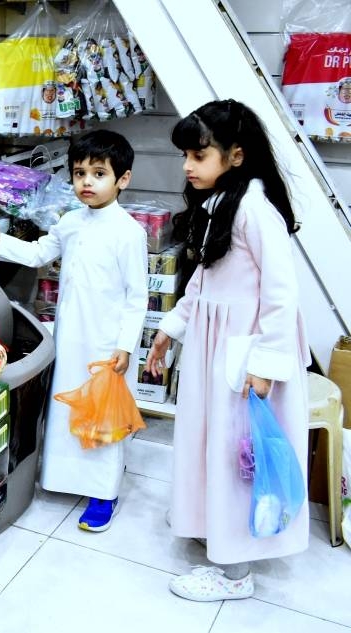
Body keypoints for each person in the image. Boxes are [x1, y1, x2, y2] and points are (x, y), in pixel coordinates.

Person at [145, 99, 310, 601]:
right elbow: (204, 280)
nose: (187, 166)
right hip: (216, 347)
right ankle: (211, 522)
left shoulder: (255, 210)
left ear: (236, 155)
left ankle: (235, 572)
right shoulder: (220, 203)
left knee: (238, 453)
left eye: (198, 156)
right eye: (185, 156)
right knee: (210, 441)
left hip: (245, 352)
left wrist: (265, 366)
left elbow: (281, 293)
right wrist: (170, 329)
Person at [0, 129, 148, 531]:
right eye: (79, 173)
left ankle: (104, 492)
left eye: (99, 174)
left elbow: (138, 297)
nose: (87, 182)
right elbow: (39, 254)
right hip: (70, 336)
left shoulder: (129, 233)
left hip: (107, 343)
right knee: (67, 408)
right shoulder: (70, 222)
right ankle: (62, 478)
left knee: (103, 414)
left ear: (122, 179)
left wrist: (125, 346)